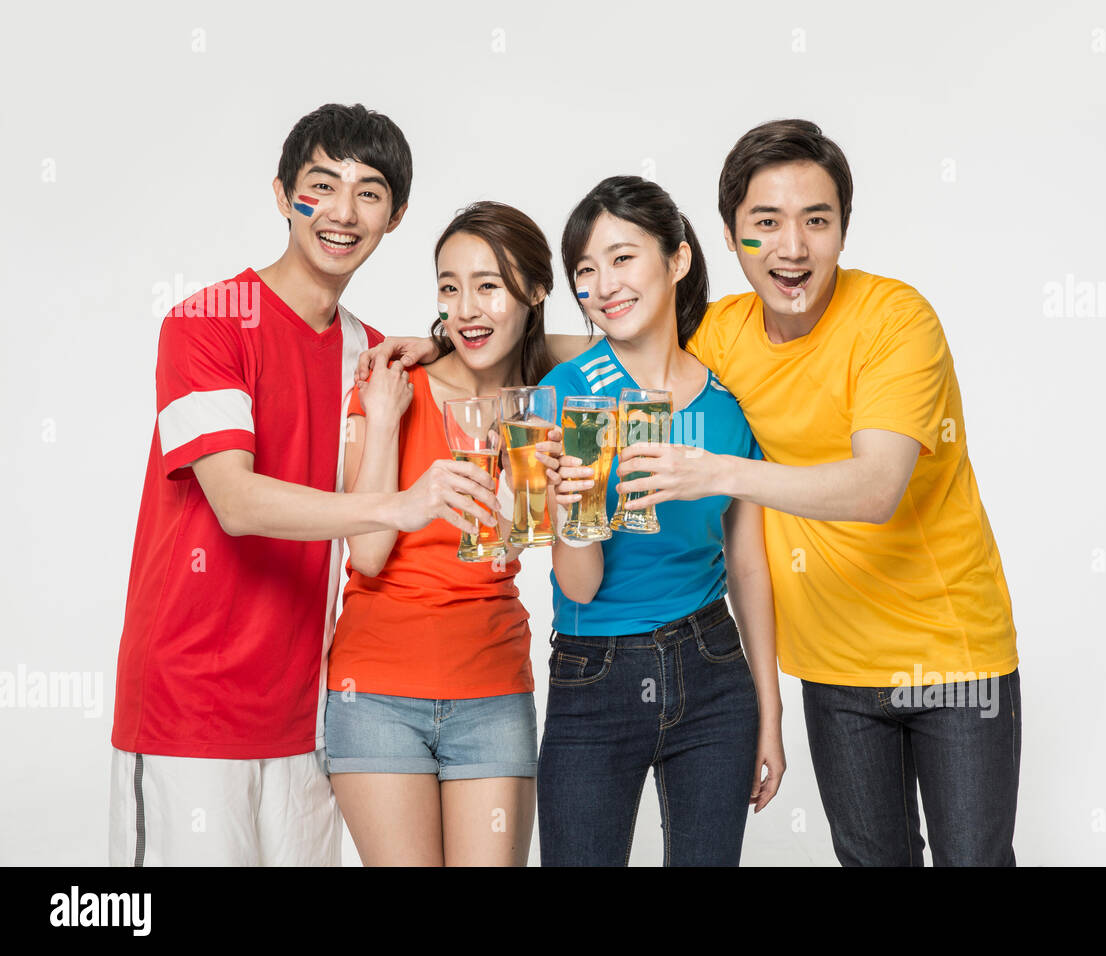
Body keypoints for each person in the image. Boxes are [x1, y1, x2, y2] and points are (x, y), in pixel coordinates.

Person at [617, 120, 1022, 866]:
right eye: (764, 224)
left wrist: (719, 472)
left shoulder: (896, 320)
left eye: (816, 221)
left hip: (952, 657)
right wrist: (462, 341)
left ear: (844, 229)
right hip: (834, 669)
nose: (792, 248)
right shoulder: (724, 331)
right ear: (732, 235)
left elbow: (875, 488)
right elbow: (621, 349)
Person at [108, 104, 504, 867]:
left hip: (310, 720)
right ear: (284, 193)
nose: (343, 212)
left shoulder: (367, 351)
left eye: (370, 192)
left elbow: (538, 344)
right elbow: (237, 500)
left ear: (396, 216)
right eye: (321, 185)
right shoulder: (206, 323)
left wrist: (447, 338)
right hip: (189, 714)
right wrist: (399, 501)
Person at [532, 176, 784, 866]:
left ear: (678, 259)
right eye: (584, 270)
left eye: (622, 257)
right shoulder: (568, 395)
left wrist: (771, 709)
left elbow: (749, 566)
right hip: (596, 674)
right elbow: (578, 588)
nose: (602, 284)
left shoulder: (731, 407)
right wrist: (573, 509)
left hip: (714, 671)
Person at [325, 201, 566, 866]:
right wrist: (380, 418)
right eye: (450, 289)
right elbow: (368, 553)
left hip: (492, 691)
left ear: (536, 290)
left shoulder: (548, 401)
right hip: (374, 695)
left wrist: (470, 339)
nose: (466, 308)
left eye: (489, 286)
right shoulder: (392, 388)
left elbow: (625, 342)